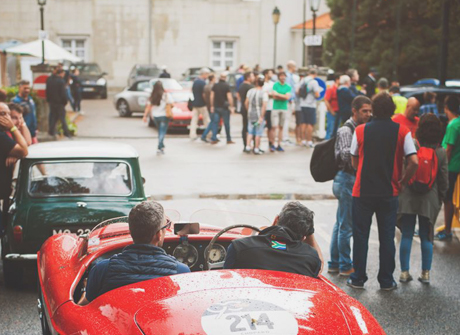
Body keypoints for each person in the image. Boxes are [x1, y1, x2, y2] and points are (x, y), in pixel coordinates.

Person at [348, 92, 418, 290]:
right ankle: (386, 280)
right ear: (393, 110)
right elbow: (413, 160)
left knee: (360, 236)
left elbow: (353, 159)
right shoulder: (402, 131)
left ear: (374, 110)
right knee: (387, 237)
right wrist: (403, 180)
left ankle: (358, 278)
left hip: (363, 191)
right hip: (389, 190)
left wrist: (360, 169)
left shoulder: (360, 130)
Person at [78, 201, 190, 305]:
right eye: (166, 227)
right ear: (159, 235)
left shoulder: (101, 270)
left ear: (131, 231)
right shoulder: (181, 272)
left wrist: (85, 290)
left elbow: (84, 305)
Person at [398, 114, 448, 284]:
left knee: (406, 234)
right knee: (427, 237)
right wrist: (440, 196)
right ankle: (425, 273)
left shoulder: (412, 144)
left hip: (408, 197)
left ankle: (404, 272)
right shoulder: (440, 151)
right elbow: (443, 179)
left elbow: (404, 166)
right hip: (429, 198)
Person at [328, 96, 372, 277]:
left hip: (346, 179)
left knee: (340, 224)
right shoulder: (348, 130)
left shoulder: (360, 128)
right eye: (364, 111)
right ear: (354, 111)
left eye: (370, 111)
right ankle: (345, 266)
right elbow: (346, 156)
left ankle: (334, 263)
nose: (368, 114)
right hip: (346, 179)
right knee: (346, 225)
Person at [224, 201, 323, 278]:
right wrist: (309, 231)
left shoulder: (239, 247)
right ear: (304, 237)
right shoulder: (310, 258)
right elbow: (319, 266)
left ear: (276, 220)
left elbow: (227, 280)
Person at [0, 102, 28, 235]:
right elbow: (24, 150)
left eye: (8, 115)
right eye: (2, 114)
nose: (7, 119)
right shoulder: (2, 137)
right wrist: (12, 128)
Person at [437, 96, 460, 241]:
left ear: (446, 108)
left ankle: (447, 230)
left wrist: (441, 166)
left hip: (450, 167)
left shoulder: (452, 125)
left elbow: (448, 149)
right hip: (457, 165)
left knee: (447, 199)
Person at [201, 72, 235, 144]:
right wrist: (231, 106)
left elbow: (212, 96)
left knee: (215, 123)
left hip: (216, 107)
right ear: (225, 78)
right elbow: (229, 97)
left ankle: (214, 138)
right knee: (226, 124)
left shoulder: (215, 85)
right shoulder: (226, 86)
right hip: (225, 108)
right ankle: (228, 139)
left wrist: (212, 106)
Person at [143, 81, 174, 155]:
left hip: (155, 117)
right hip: (164, 116)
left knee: (160, 131)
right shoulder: (166, 95)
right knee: (162, 132)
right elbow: (172, 104)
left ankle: (161, 145)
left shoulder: (152, 96)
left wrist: (145, 116)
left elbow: (148, 107)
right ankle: (160, 147)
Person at [244, 75, 268, 155]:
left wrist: (249, 110)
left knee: (250, 131)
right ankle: (256, 148)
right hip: (258, 115)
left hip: (251, 114)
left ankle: (248, 146)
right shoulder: (264, 93)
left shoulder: (250, 91)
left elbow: (246, 103)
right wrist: (261, 116)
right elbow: (264, 105)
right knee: (258, 132)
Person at [298, 68, 321, 148]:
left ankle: (303, 140)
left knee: (303, 123)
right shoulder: (314, 82)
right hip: (311, 105)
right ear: (315, 74)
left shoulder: (303, 80)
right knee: (310, 123)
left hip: (302, 104)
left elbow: (297, 91)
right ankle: (309, 141)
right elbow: (317, 94)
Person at [46, 68, 71, 139]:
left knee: (53, 117)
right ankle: (66, 132)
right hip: (59, 103)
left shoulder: (49, 80)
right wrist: (65, 101)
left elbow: (47, 91)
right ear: (61, 73)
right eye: (63, 74)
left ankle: (51, 131)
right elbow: (63, 93)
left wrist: (49, 100)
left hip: (52, 102)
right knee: (62, 118)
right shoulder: (61, 81)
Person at [271, 72, 291, 152]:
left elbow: (287, 97)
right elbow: (274, 95)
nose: (283, 78)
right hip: (276, 107)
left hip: (284, 108)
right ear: (279, 77)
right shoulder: (275, 85)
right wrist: (282, 96)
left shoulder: (288, 86)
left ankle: (279, 144)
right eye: (281, 76)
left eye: (284, 76)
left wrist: (278, 95)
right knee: (274, 126)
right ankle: (273, 144)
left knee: (281, 127)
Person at [190, 68, 211, 140]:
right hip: (202, 104)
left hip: (195, 103)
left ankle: (192, 134)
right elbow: (204, 94)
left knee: (194, 120)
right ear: (204, 74)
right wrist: (207, 102)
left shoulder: (195, 82)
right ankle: (208, 134)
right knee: (206, 120)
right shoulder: (203, 83)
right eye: (207, 74)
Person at [237, 71, 255, 149]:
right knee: (252, 127)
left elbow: (238, 95)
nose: (253, 78)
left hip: (243, 109)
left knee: (245, 127)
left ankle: (245, 144)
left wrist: (241, 101)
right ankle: (251, 144)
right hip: (249, 109)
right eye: (252, 76)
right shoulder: (250, 87)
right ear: (248, 77)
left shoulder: (241, 86)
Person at [284, 61, 299, 144]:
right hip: (288, 101)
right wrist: (290, 100)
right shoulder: (289, 77)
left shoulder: (290, 76)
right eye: (295, 66)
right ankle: (285, 138)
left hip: (289, 100)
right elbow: (289, 89)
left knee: (287, 119)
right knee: (286, 119)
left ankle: (285, 137)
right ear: (291, 67)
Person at [262, 69, 275, 150]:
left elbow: (274, 94)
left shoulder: (273, 84)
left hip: (270, 107)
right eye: (270, 73)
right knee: (261, 126)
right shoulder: (261, 83)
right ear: (266, 74)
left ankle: (271, 143)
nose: (272, 74)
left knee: (270, 127)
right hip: (262, 108)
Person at [324, 74, 340, 140]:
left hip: (338, 112)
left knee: (336, 130)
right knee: (330, 129)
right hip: (332, 112)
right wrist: (331, 111)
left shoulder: (339, 89)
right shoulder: (331, 89)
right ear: (337, 80)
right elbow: (326, 100)